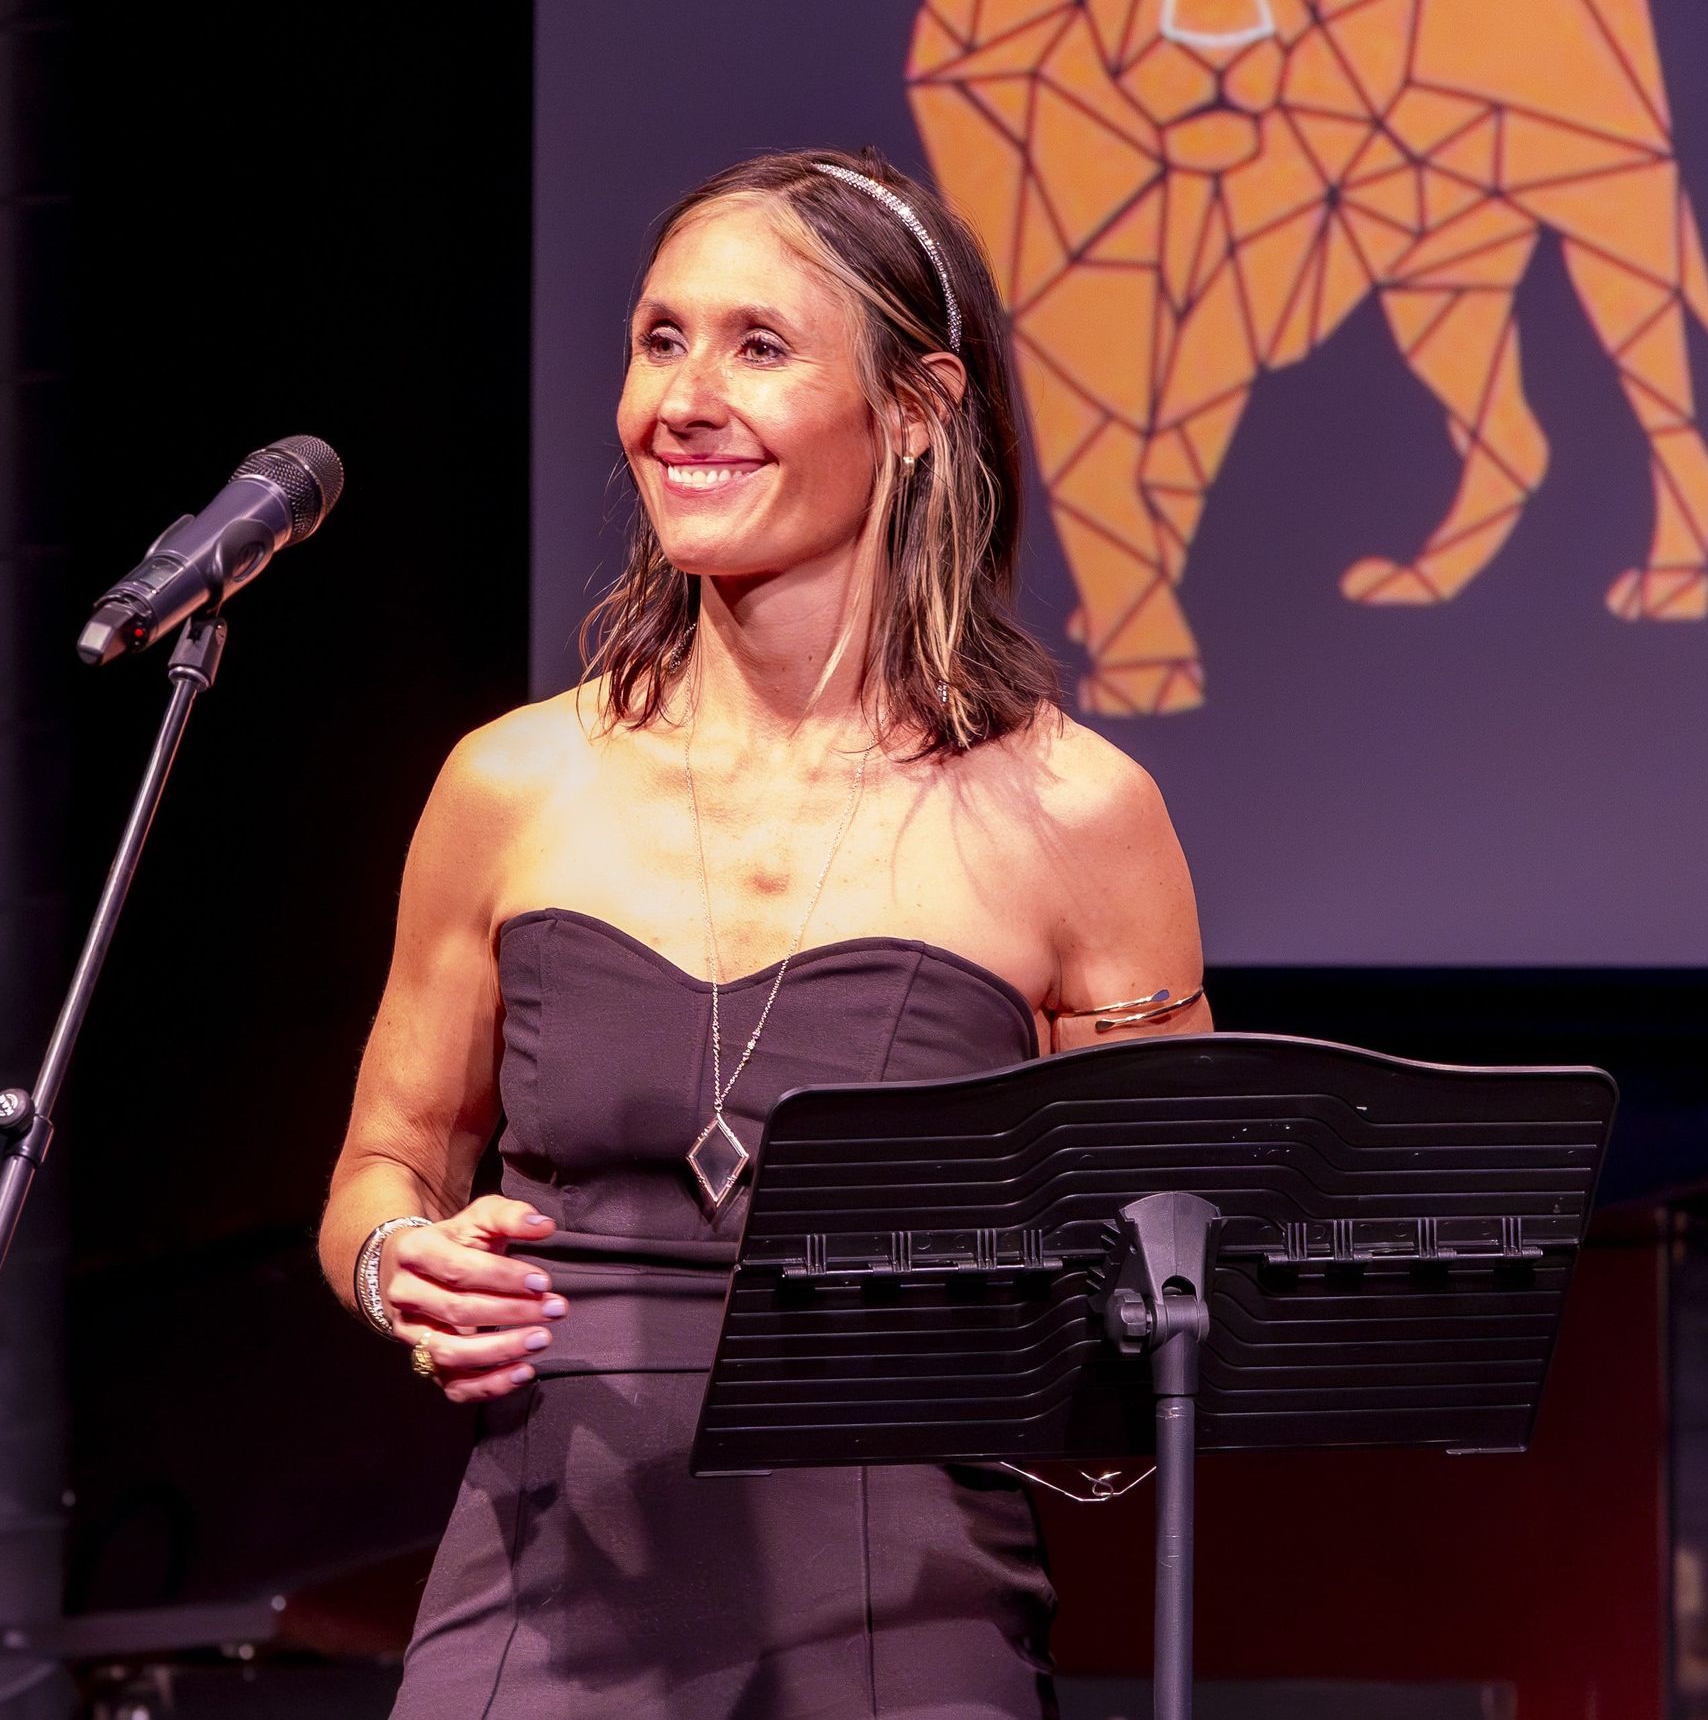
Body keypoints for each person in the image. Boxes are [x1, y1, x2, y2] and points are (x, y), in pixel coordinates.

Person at [317, 146, 1211, 1718]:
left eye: (759, 346)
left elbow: (1171, 1276)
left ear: (921, 407)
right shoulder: (512, 782)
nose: (682, 396)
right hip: (543, 1612)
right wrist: (403, 1259)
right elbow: (377, 1173)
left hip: (904, 1626)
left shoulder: (1080, 814)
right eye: (660, 339)